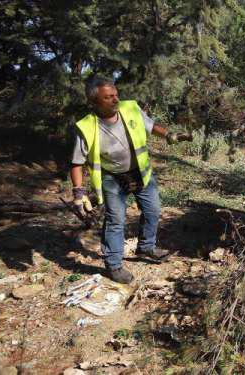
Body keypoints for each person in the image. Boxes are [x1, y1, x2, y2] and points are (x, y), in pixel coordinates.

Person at [70, 76, 188, 284]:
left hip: (141, 172)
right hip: (112, 178)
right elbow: (77, 163)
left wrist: (170, 135)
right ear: (95, 102)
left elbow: (151, 126)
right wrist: (78, 193)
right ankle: (114, 265)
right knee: (116, 220)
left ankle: (146, 247)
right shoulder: (87, 127)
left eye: (116, 94)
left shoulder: (130, 108)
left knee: (153, 211)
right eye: (108, 97)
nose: (116, 100)